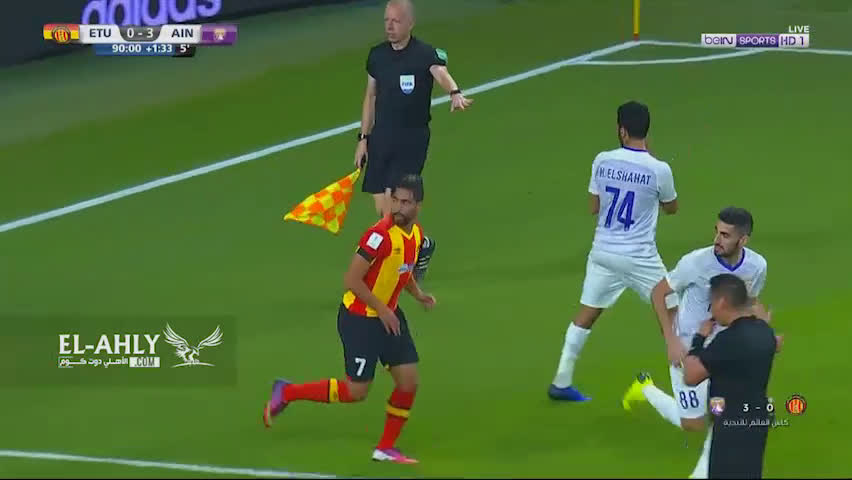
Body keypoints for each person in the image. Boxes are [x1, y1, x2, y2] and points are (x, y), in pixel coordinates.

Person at [263, 174, 436, 465]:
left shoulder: (416, 235)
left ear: (418, 205)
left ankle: (385, 448)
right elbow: (352, 280)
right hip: (360, 319)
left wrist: (418, 295)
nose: (398, 207)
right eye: (395, 200)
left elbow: (402, 271)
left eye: (405, 202)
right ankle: (287, 392)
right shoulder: (378, 236)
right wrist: (382, 310)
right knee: (357, 391)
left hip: (389, 316)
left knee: (408, 382)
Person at [621, 207, 777, 478]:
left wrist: (759, 331)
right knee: (692, 424)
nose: (717, 239)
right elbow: (659, 293)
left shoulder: (757, 265)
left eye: (725, 235)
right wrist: (670, 340)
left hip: (727, 348)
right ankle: (645, 389)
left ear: (743, 240)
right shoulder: (695, 262)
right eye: (717, 231)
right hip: (689, 348)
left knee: (723, 413)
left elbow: (748, 301)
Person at [548, 101, 679, 401]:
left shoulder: (602, 160)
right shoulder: (659, 169)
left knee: (587, 314)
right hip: (638, 257)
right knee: (673, 311)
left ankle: (561, 380)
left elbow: (594, 207)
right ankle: (689, 388)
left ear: (622, 130)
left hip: (603, 253)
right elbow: (672, 208)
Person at [354, 0, 473, 282]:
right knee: (383, 208)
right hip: (381, 137)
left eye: (395, 21)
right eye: (386, 21)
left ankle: (397, 267)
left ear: (410, 23)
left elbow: (441, 73)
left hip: (411, 139)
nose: (389, 26)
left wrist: (454, 92)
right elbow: (370, 97)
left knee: (394, 206)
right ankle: (422, 245)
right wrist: (363, 139)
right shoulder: (377, 56)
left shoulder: (424, 53)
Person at [684, 274, 778, 478]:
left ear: (722, 302)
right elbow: (773, 344)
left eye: (712, 303)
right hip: (757, 420)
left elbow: (690, 376)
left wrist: (699, 339)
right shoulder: (764, 332)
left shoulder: (728, 340)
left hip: (731, 425)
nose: (711, 310)